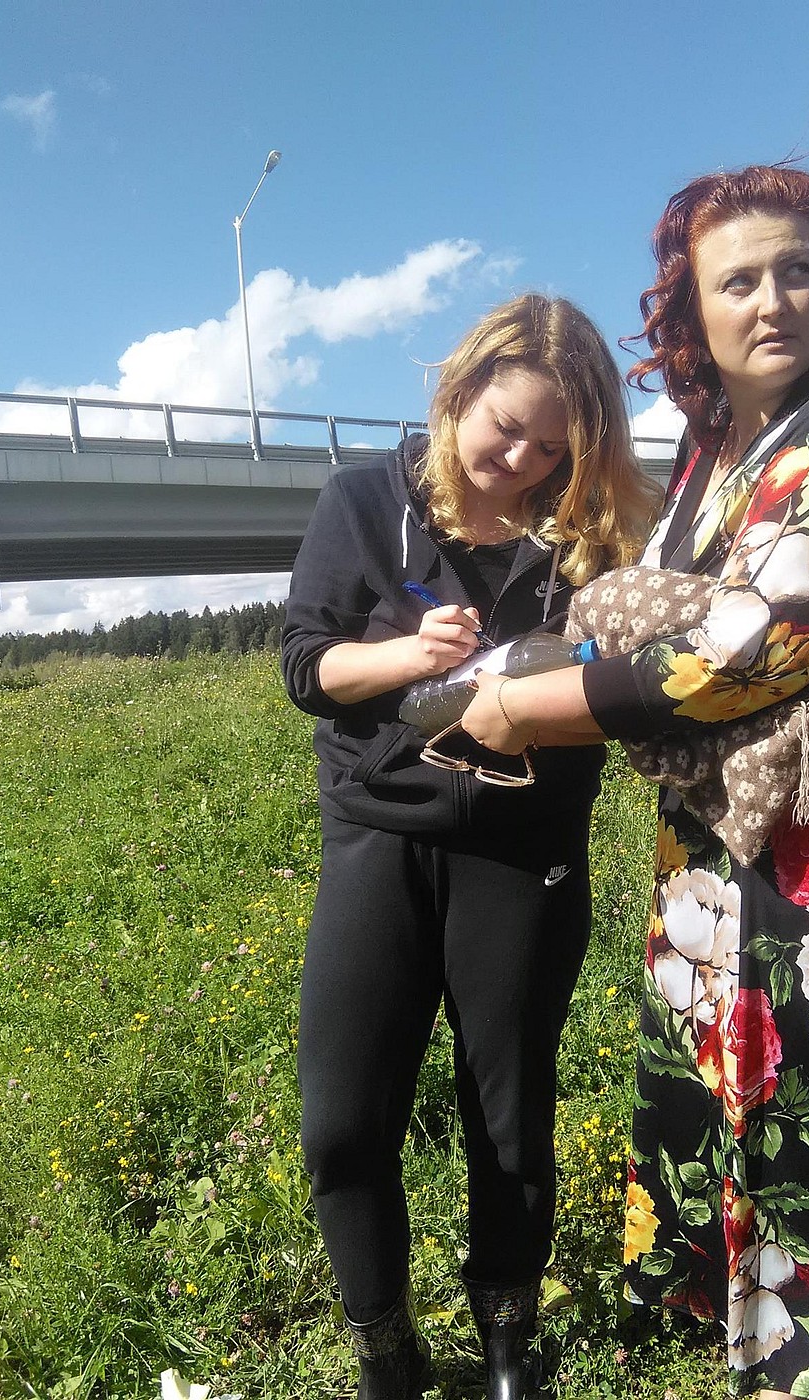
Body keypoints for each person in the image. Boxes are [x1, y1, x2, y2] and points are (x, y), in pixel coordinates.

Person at [460, 167, 809, 1398]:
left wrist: (515, 705)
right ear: (693, 312)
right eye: (737, 281)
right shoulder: (713, 445)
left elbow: (755, 645)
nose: (771, 300)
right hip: (742, 826)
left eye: (796, 270)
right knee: (757, 1083)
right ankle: (776, 1329)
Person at [280, 292, 661, 1400]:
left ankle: (507, 1338)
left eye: (554, 447)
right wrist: (406, 658)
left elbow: (636, 686)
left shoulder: (590, 538)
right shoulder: (364, 501)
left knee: (509, 1115)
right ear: (458, 391)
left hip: (524, 848)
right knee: (342, 1120)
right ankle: (385, 1346)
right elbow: (306, 665)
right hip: (377, 834)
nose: (523, 462)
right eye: (506, 427)